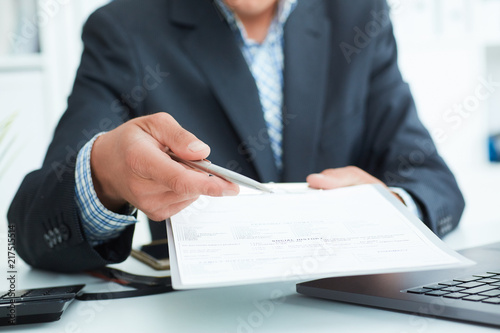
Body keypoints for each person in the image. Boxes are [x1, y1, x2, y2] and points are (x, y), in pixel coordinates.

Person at [8, 0, 465, 273]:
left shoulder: (359, 15)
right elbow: (32, 226)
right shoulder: (123, 29)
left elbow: (433, 182)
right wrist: (104, 174)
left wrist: (390, 209)